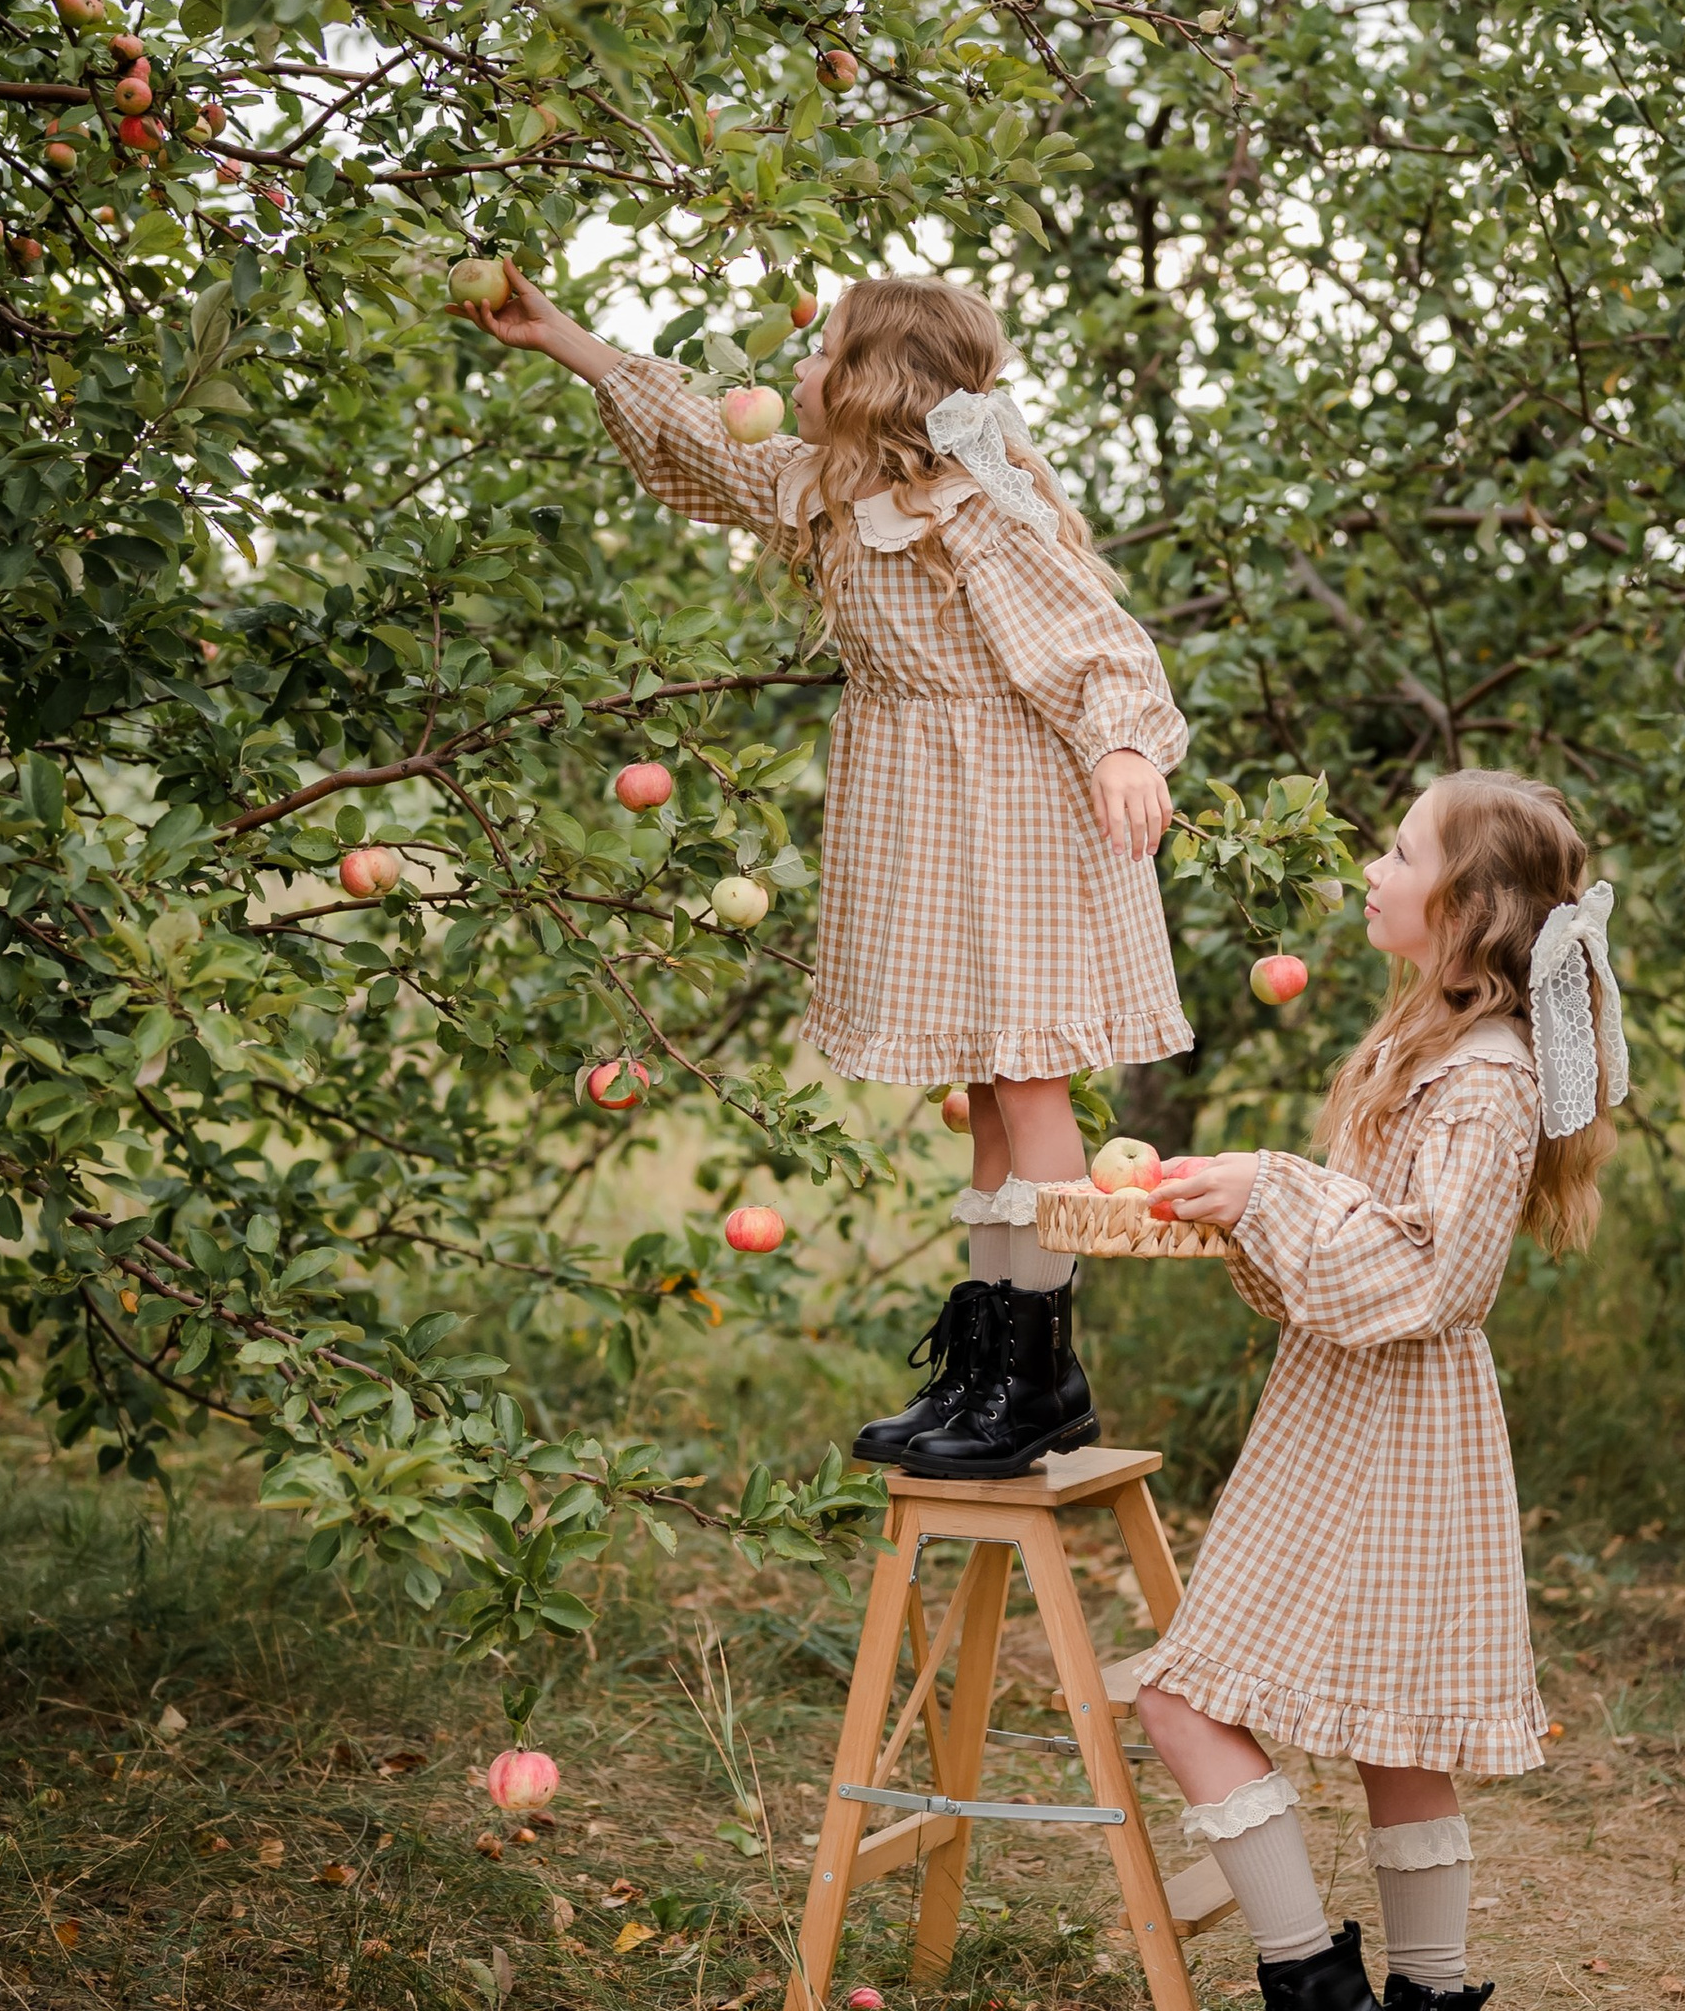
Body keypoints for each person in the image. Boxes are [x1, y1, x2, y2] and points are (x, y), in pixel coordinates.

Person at [471, 268, 1192, 1476]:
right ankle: (985, 1361)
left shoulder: (971, 509)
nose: (792, 375)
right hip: (925, 819)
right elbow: (702, 442)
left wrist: (1124, 744)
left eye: (818, 358)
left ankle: (1041, 1371)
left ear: (868, 388)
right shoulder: (830, 490)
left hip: (1013, 819)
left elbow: (1095, 642)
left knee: (1026, 1084)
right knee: (984, 1091)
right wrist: (566, 342)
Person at [1134, 769, 1627, 2011]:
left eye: (1398, 848)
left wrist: (1272, 1187)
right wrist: (1260, 1197)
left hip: (1386, 1428)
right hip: (1370, 1412)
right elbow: (1373, 1252)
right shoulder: (1440, 1047)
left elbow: (1432, 1280)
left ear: (1464, 907)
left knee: (1184, 1701)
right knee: (1398, 1741)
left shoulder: (1485, 1081)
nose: (1369, 862)